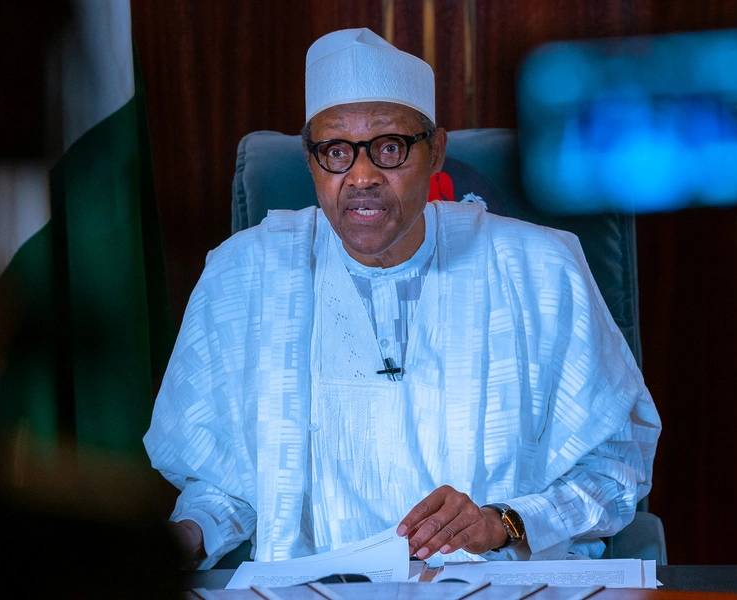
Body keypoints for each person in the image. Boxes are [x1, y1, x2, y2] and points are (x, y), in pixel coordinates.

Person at [144, 27, 661, 570]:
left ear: (436, 150)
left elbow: (613, 467)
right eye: (336, 151)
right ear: (310, 160)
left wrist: (502, 521)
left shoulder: (539, 269)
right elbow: (233, 485)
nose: (361, 176)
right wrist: (189, 533)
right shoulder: (244, 275)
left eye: (389, 148)